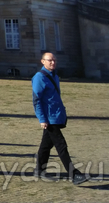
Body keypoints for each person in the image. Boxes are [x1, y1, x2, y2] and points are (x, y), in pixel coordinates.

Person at [32, 52, 89, 185]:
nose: (53, 62)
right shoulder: (39, 77)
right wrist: (42, 119)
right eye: (49, 60)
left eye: (54, 60)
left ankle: (39, 170)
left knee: (46, 145)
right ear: (42, 62)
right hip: (50, 118)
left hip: (57, 116)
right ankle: (74, 174)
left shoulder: (54, 76)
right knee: (61, 145)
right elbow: (36, 100)